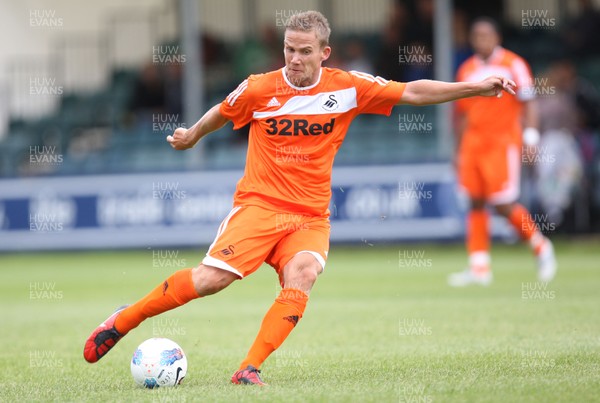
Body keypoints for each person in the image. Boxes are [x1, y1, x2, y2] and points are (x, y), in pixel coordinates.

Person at [84, 11, 518, 384]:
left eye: (305, 51)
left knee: (304, 274)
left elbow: (412, 91)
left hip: (309, 215)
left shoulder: (347, 87)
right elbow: (224, 109)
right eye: (289, 49)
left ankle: (248, 368)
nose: (294, 59)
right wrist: (193, 135)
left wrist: (476, 89)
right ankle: (125, 319)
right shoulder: (260, 87)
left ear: (324, 53)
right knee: (210, 281)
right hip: (259, 205)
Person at [448, 17, 557, 287]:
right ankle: (479, 267)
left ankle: (541, 246)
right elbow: (461, 113)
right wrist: (458, 149)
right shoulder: (466, 69)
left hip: (501, 142)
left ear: (497, 38)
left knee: (502, 204)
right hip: (473, 144)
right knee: (474, 201)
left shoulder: (513, 64)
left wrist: (530, 137)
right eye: (476, 36)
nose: (481, 40)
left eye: (486, 35)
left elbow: (529, 101)